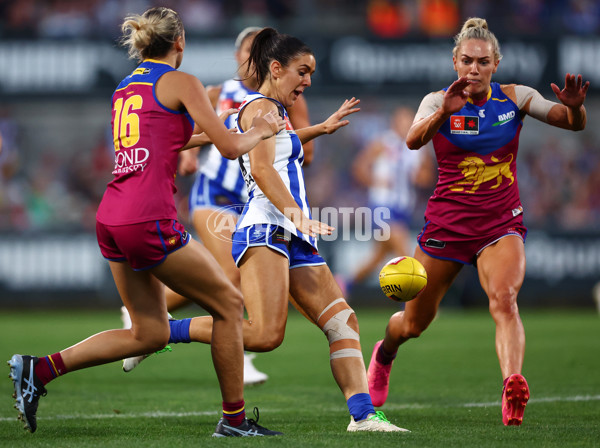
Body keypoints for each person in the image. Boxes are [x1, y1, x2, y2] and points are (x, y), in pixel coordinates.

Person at [8, 7, 286, 437]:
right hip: (148, 217)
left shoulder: (127, 85)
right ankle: (233, 421)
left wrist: (226, 130)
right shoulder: (183, 81)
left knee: (149, 333)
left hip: (113, 216)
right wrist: (261, 130)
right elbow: (232, 149)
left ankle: (39, 370)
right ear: (180, 41)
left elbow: (168, 140)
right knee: (230, 306)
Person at [162, 27, 409, 433]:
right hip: (267, 229)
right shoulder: (263, 110)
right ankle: (165, 331)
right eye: (302, 71)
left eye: (310, 72)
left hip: (291, 233)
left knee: (342, 319)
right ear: (276, 69)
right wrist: (297, 214)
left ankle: (363, 416)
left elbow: (279, 146)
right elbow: (260, 169)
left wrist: (321, 128)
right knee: (264, 335)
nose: (308, 81)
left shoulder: (271, 113)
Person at [366, 17, 589, 427]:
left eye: (482, 62)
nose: (474, 69)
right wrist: (442, 115)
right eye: (467, 60)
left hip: (500, 226)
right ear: (455, 61)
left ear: (495, 64)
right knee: (413, 324)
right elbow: (412, 140)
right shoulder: (437, 101)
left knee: (504, 300)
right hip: (445, 230)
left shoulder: (515, 97)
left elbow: (568, 122)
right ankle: (385, 352)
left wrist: (575, 110)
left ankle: (512, 385)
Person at [121, 26, 315, 386]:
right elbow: (183, 132)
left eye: (256, 51)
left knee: (220, 277)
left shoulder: (288, 98)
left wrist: (308, 136)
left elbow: (304, 153)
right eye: (245, 52)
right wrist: (190, 154)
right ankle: (238, 356)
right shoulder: (218, 91)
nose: (249, 59)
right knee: (232, 278)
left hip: (251, 202)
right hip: (213, 194)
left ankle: (150, 316)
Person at [349, 106, 434, 289]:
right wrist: (376, 181)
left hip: (403, 208)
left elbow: (427, 178)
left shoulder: (419, 148)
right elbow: (359, 168)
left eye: (409, 121)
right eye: (402, 121)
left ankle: (343, 285)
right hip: (382, 206)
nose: (405, 125)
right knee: (405, 253)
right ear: (394, 123)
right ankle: (412, 301)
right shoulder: (382, 143)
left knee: (377, 259)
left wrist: (418, 177)